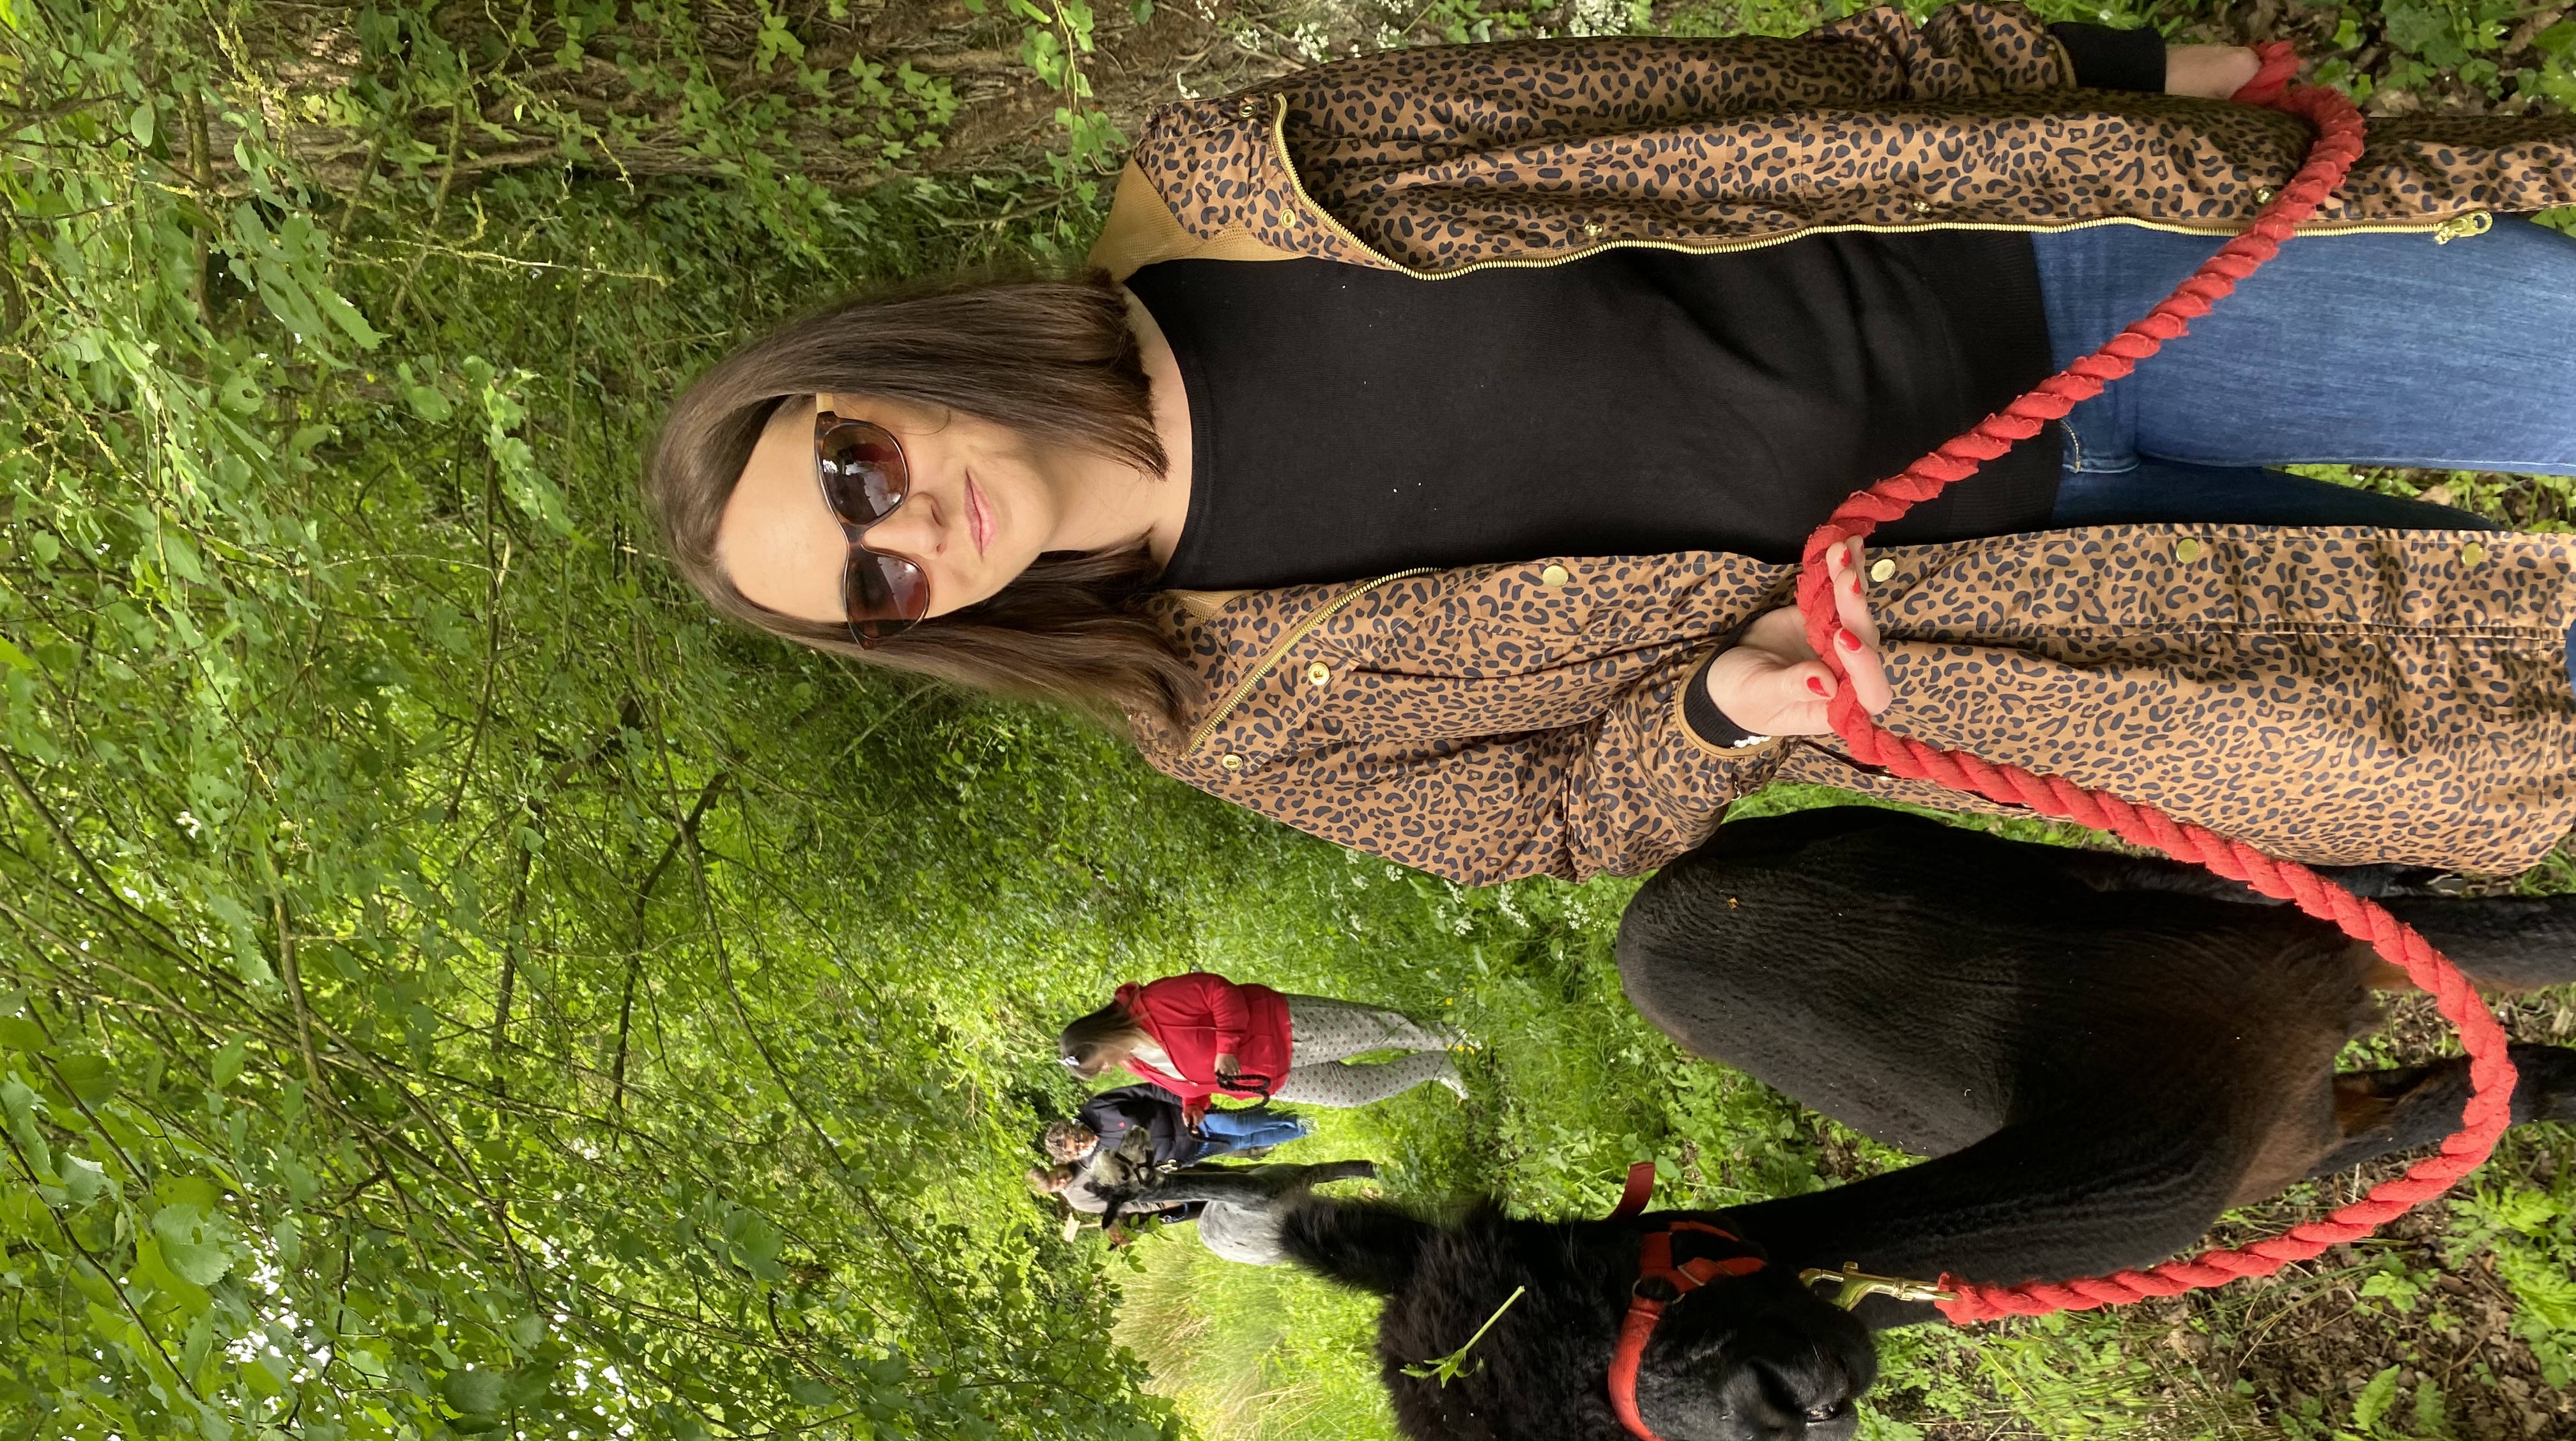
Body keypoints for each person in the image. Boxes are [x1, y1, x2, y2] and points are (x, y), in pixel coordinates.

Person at [648, 5, 2576, 882]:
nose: (918, 535)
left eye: (851, 479)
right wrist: (1710, 726)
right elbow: (1540, 826)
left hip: (2053, 253)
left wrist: (2109, 71)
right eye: (878, 590)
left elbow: (1705, 91)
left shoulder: (1234, 184)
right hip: (2049, 617)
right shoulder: (1231, 706)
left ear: (864, 375)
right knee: (2522, 687)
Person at [1058, 973, 1465, 1111]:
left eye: (1101, 1064)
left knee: (1378, 1030)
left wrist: (1227, 1047)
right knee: (1355, 1093)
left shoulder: (1153, 1005)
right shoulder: (1137, 1063)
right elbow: (1190, 1079)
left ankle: (1459, 1036)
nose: (1109, 1070)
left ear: (1102, 1037)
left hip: (1281, 1028)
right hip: (1267, 1078)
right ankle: (1436, 1064)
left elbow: (1218, 991)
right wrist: (1193, 1104)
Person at [1045, 1083, 1312, 1171]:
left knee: (1240, 1124)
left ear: (1073, 1125)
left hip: (1188, 1118)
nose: (1081, 1142)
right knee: (1245, 1142)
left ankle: (1294, 1118)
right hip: (1189, 1150)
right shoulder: (1099, 1164)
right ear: (1073, 1156)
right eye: (1076, 1148)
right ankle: (1302, 1129)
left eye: (1076, 1135)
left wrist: (1186, 1103)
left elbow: (1147, 1090)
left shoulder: (1098, 1108)